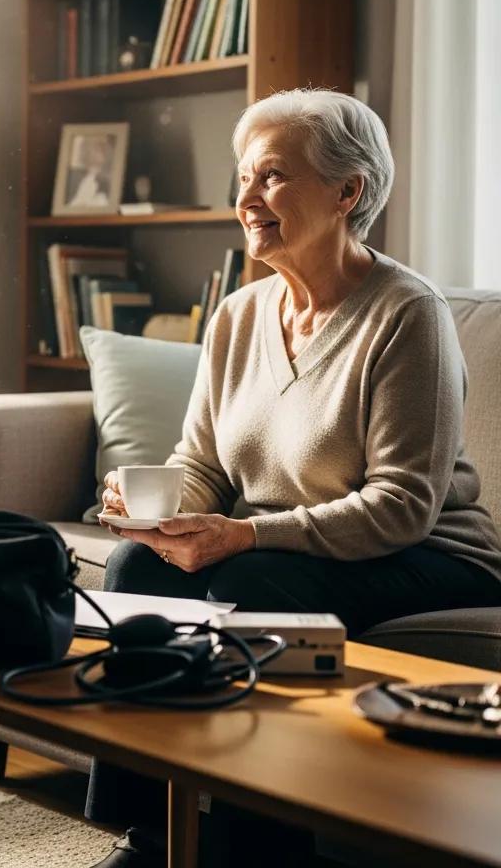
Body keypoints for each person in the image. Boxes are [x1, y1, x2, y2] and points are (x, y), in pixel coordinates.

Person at [85, 88, 501, 867]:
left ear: (348, 191)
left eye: (272, 176)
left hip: (430, 557)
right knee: (136, 566)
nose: (246, 198)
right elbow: (202, 464)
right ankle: (147, 838)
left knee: (258, 587)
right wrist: (156, 507)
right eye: (244, 177)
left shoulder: (407, 314)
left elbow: (403, 505)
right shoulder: (238, 316)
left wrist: (242, 535)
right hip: (282, 547)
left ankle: (258, 850)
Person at [66, 134, 115, 208]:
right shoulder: (73, 176)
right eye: (98, 149)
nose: (103, 153)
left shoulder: (106, 182)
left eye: (103, 149)